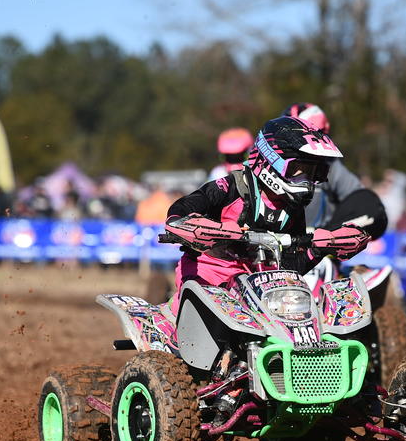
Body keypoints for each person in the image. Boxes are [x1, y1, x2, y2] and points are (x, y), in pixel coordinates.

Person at [163, 116, 370, 310]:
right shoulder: (233, 186)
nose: (306, 181)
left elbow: (288, 269)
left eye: (314, 173)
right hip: (210, 273)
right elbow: (183, 207)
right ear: (270, 161)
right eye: (299, 170)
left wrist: (316, 250)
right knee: (204, 312)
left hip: (259, 282)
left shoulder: (292, 208)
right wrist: (187, 224)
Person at [282, 102, 387, 239]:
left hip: (316, 246)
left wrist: (329, 234)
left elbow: (360, 200)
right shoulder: (272, 163)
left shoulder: (331, 167)